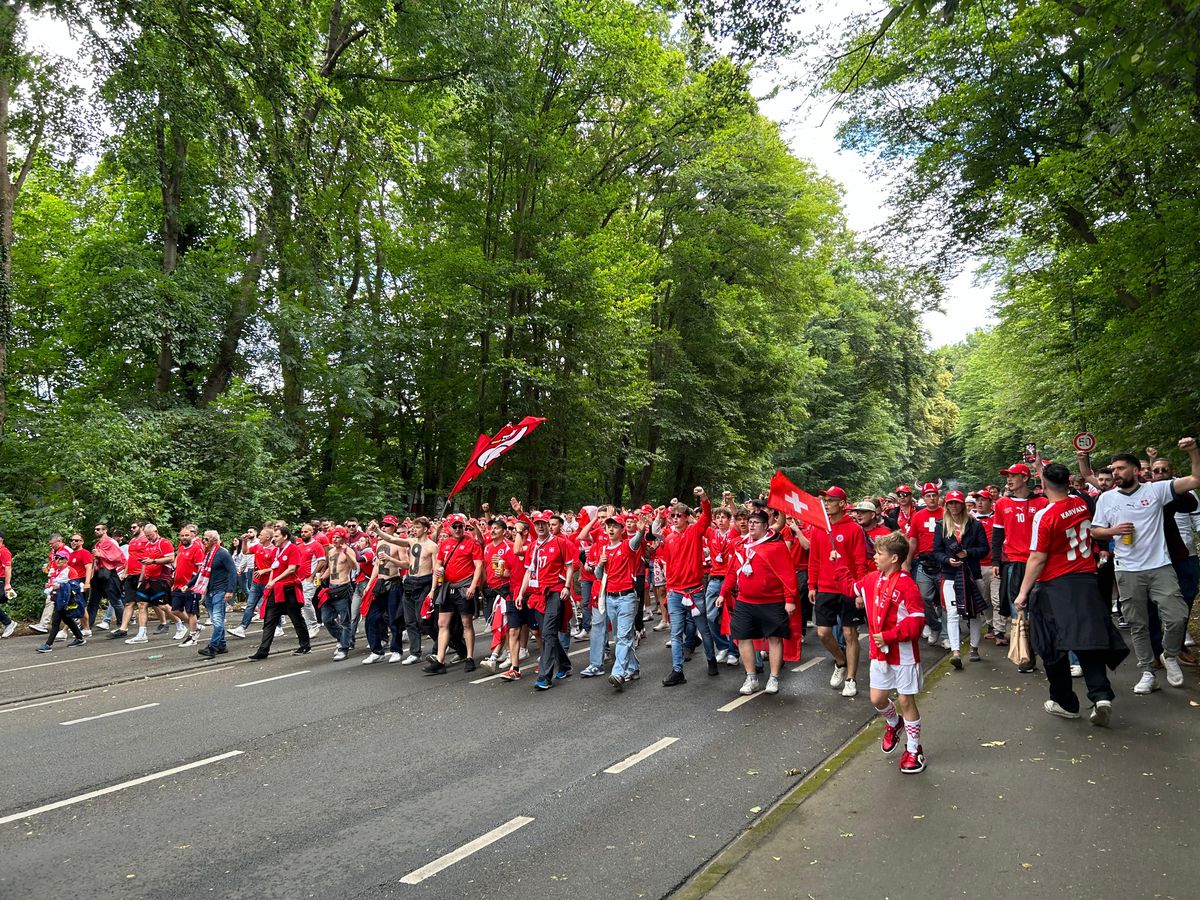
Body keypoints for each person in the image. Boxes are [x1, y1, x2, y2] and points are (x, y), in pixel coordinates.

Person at [1015, 462, 1128, 724]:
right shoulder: (1081, 502)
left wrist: (1022, 593)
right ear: (1068, 481)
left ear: (1043, 485)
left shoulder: (1045, 515)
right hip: (1086, 581)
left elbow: (1037, 558)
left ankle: (1065, 701)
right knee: (1088, 640)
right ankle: (1100, 695)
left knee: (1052, 644)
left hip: (1056, 585)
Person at [1091, 438, 1200, 693]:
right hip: (1127, 569)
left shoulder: (1156, 490)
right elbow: (1095, 531)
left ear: (1136, 470)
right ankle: (1146, 672)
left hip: (1160, 566)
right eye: (1113, 469)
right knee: (1138, 623)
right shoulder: (1106, 499)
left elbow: (1195, 480)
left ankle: (1170, 655)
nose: (1115, 473)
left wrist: (1194, 452)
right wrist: (1113, 531)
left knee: (1177, 616)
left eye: (1120, 468)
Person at [856, 531, 927, 774]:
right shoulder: (872, 579)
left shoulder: (908, 585)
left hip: (903, 653)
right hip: (880, 653)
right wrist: (835, 562)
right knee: (877, 699)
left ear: (894, 558)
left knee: (906, 699)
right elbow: (849, 586)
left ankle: (914, 749)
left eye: (879, 553)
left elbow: (917, 621)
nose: (874, 557)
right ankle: (893, 723)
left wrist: (890, 635)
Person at [719, 507, 797, 695]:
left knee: (774, 638)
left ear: (765, 525)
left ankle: (773, 678)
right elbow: (732, 571)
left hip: (772, 601)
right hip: (745, 601)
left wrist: (790, 599)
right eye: (750, 521)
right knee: (743, 637)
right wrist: (723, 593)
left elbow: (787, 575)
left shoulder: (776, 546)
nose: (751, 525)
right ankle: (751, 677)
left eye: (756, 522)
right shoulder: (740, 545)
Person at [809, 486, 869, 698]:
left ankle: (851, 679)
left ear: (842, 504)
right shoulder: (819, 528)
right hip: (825, 588)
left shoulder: (854, 529)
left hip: (849, 588)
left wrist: (860, 590)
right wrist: (811, 585)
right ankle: (840, 661)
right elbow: (814, 559)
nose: (826, 503)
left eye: (831, 499)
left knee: (849, 633)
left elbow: (861, 562)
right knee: (823, 633)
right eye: (825, 499)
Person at [990, 463, 1049, 673]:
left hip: (1039, 562)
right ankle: (1025, 656)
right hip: (1013, 563)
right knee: (1019, 610)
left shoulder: (1043, 502)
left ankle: (1049, 653)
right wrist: (996, 562)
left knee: (1040, 609)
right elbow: (997, 535)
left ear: (1025, 477)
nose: (1009, 479)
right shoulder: (1001, 504)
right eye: (1007, 476)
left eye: (1013, 475)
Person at [658, 487, 718, 685]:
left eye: (679, 515)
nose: (675, 518)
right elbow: (668, 565)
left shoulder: (695, 531)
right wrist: (668, 590)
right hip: (675, 592)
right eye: (672, 516)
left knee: (703, 628)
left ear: (686, 517)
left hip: (695, 591)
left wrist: (702, 497)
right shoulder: (669, 538)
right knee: (675, 633)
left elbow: (707, 516)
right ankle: (677, 671)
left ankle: (711, 659)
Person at [513, 510, 574, 689]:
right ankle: (565, 665)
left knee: (547, 633)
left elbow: (570, 566)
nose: (540, 526)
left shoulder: (560, 542)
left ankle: (544, 677)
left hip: (555, 591)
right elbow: (528, 571)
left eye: (543, 523)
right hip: (536, 594)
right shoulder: (532, 546)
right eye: (537, 524)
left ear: (549, 525)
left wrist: (567, 587)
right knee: (547, 634)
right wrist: (521, 593)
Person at [932, 491, 989, 668]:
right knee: (953, 612)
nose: (954, 506)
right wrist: (947, 560)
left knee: (973, 612)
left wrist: (968, 553)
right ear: (947, 506)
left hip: (972, 573)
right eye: (950, 503)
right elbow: (936, 551)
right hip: (950, 575)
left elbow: (984, 549)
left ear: (963, 505)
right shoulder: (941, 525)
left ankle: (973, 647)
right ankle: (956, 651)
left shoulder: (975, 525)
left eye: (957, 503)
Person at [593, 512, 648, 690]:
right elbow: (599, 577)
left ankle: (618, 672)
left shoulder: (626, 546)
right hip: (610, 597)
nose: (610, 528)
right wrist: (600, 564)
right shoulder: (603, 550)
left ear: (622, 530)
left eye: (615, 526)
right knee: (619, 637)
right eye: (608, 526)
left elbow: (636, 541)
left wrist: (640, 532)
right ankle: (633, 668)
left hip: (627, 597)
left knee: (623, 636)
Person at [424, 513, 484, 675]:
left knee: (466, 623)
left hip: (464, 586)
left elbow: (478, 566)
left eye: (460, 526)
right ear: (449, 528)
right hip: (447, 587)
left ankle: (470, 657)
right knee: (442, 623)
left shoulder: (472, 543)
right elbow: (438, 564)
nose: (458, 529)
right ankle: (440, 660)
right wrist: (433, 587)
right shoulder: (444, 543)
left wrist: (473, 586)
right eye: (455, 526)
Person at [248, 525, 311, 659]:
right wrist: (270, 582)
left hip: (289, 589)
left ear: (285, 536)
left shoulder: (293, 549)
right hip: (276, 589)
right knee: (270, 619)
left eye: (276, 536)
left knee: (296, 618)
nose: (274, 539)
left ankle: (305, 645)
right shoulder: (276, 551)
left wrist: (274, 580)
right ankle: (263, 650)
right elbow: (273, 568)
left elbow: (292, 569)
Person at [905, 483, 945, 645]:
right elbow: (913, 540)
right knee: (923, 598)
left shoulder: (946, 513)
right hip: (924, 562)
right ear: (923, 498)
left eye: (934, 495)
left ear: (938, 496)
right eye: (928, 495)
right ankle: (935, 626)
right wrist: (907, 562)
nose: (932, 498)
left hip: (943, 562)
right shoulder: (918, 516)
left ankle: (946, 637)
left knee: (944, 601)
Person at [125, 524, 175, 644]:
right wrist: (141, 580)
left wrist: (154, 561)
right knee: (142, 604)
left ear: (156, 532)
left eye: (150, 535)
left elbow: (171, 558)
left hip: (161, 577)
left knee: (163, 606)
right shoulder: (147, 545)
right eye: (147, 536)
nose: (148, 538)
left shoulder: (164, 543)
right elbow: (144, 564)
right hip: (148, 578)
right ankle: (142, 634)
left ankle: (181, 624)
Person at [35, 536, 86, 653]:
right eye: (57, 558)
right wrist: (49, 586)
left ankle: (48, 645)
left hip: (66, 599)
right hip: (58, 598)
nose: (57, 560)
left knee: (56, 621)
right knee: (67, 619)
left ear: (66, 560)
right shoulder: (56, 571)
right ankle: (80, 638)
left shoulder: (70, 570)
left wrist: (61, 586)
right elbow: (54, 582)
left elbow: (76, 585)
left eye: (61, 558)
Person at [315, 526, 359, 661]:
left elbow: (354, 566)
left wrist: (347, 553)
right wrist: (322, 576)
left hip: (343, 587)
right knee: (327, 619)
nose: (334, 539)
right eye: (333, 537)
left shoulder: (348, 550)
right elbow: (331, 568)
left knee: (345, 620)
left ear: (343, 539)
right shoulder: (332, 551)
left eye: (337, 537)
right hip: (331, 588)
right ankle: (343, 638)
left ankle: (343, 648)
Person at [399, 517, 437, 664]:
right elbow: (392, 539)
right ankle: (415, 653)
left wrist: (433, 589)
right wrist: (377, 530)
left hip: (424, 582)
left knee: (423, 620)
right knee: (409, 621)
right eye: (413, 527)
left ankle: (440, 642)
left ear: (426, 529)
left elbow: (435, 569)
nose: (414, 529)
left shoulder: (432, 546)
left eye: (417, 527)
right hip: (410, 582)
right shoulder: (411, 541)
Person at [196, 530, 237, 659]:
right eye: (203, 538)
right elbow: (201, 572)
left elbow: (232, 572)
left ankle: (212, 647)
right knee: (215, 620)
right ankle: (222, 645)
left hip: (220, 591)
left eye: (206, 539)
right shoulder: (208, 555)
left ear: (214, 540)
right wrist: (189, 584)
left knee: (218, 620)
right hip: (210, 591)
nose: (203, 541)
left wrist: (230, 590)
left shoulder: (222, 554)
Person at [170, 525, 205, 645]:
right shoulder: (181, 548)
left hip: (190, 585)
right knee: (174, 610)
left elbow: (201, 569)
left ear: (192, 536)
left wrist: (196, 585)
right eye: (182, 535)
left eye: (186, 535)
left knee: (191, 612)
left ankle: (192, 636)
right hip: (178, 585)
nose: (184, 537)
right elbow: (178, 563)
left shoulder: (197, 549)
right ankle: (196, 626)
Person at [89, 523, 124, 635]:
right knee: (93, 601)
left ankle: (122, 625)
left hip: (108, 573)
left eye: (98, 529)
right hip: (98, 574)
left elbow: (118, 557)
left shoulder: (110, 542)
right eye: (95, 529)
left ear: (104, 531)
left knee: (115, 600)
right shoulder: (97, 544)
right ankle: (87, 626)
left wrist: (100, 554)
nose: (96, 531)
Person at [0, 532, 14, 638]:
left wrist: (7, 583)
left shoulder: (4, 552)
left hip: (1, 581)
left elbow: (8, 568)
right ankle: (7, 622)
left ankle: (8, 623)